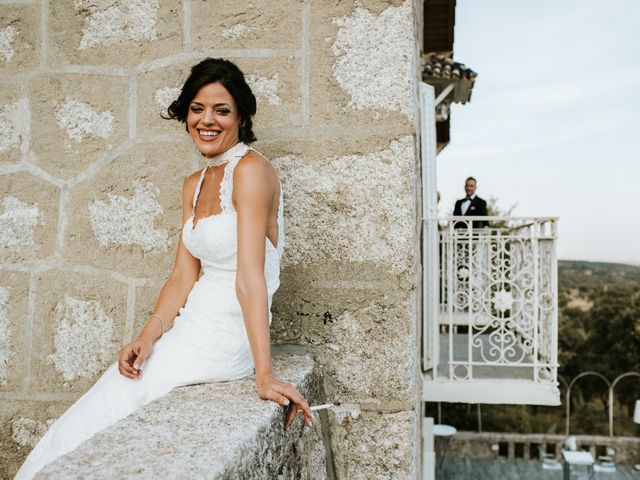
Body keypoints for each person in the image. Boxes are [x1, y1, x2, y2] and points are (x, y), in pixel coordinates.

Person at [14, 58, 313, 480]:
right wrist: (146, 336)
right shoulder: (193, 184)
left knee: (125, 395)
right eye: (196, 109)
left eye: (221, 110)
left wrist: (264, 375)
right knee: (115, 387)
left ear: (242, 117)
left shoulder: (252, 171)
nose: (206, 120)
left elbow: (250, 279)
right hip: (193, 326)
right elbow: (182, 277)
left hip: (228, 334)